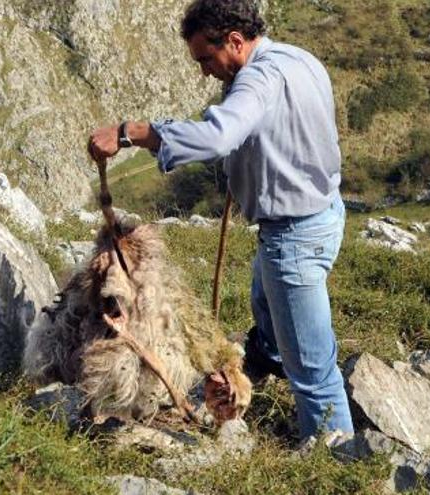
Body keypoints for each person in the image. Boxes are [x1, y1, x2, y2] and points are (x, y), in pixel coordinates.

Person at [87, 0, 353, 446]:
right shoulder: (299, 59)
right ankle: (258, 367)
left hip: (293, 238)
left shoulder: (256, 80)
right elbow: (279, 130)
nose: (205, 72)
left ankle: (341, 462)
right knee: (266, 315)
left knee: (314, 373)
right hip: (324, 215)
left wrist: (136, 132)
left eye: (207, 59)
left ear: (234, 41)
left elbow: (218, 135)